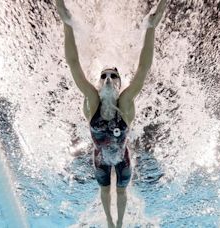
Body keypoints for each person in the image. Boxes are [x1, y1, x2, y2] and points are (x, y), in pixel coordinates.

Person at [56, 0, 166, 227]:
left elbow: (143, 69)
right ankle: (110, 223)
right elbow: (74, 64)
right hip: (100, 160)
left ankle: (120, 222)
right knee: (106, 191)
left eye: (113, 76)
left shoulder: (125, 103)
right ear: (98, 83)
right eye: (103, 76)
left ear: (119, 84)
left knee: (122, 192)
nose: (107, 79)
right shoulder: (92, 101)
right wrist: (67, 24)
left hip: (123, 158)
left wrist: (151, 28)